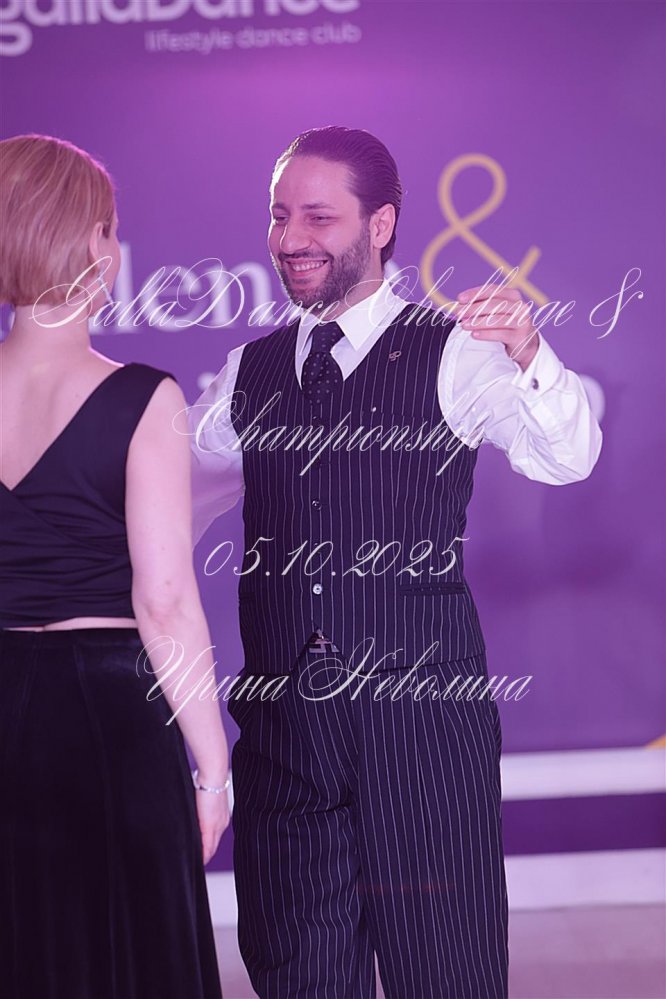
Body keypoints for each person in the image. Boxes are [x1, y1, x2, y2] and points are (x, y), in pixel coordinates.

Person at [189, 126, 603, 999]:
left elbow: (566, 456)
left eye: (318, 216)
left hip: (422, 736)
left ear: (380, 226)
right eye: (279, 215)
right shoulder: (245, 373)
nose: (291, 237)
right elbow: (170, 498)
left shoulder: (455, 353)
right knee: (298, 976)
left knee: (444, 973)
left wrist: (530, 351)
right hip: (285, 737)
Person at [0, 134, 229, 999]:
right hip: (111, 714)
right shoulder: (145, 398)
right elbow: (165, 602)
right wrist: (213, 767)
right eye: (110, 226)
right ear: (91, 241)